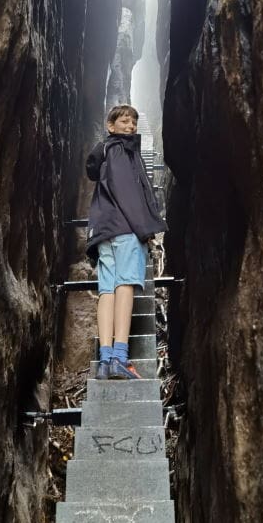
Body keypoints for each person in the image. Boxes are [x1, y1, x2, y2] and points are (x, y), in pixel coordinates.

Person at [85, 104, 167, 380]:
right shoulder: (121, 151)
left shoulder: (107, 151)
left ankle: (105, 360)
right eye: (124, 121)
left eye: (133, 122)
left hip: (104, 231)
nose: (130, 126)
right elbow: (127, 192)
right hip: (125, 229)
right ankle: (120, 356)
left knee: (107, 290)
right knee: (125, 286)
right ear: (110, 126)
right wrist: (145, 231)